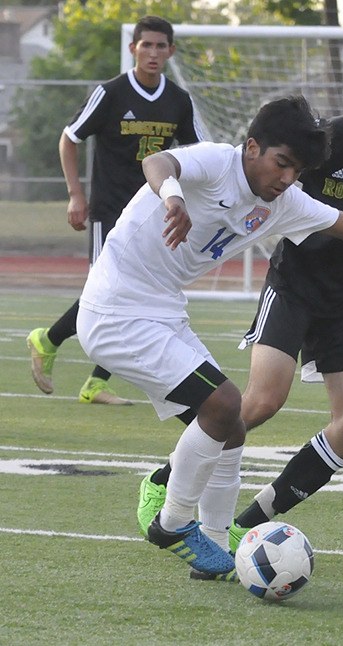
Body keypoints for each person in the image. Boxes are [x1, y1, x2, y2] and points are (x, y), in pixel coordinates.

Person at [77, 94, 343, 577]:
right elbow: (158, 159)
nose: (287, 178)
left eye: (297, 169)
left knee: (231, 423)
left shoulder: (284, 201)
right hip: (115, 308)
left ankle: (212, 542)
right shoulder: (217, 161)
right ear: (252, 148)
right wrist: (172, 197)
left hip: (162, 309)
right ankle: (172, 521)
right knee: (227, 403)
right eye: (281, 163)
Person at [26, 15, 204, 405]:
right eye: (147, 45)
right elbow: (69, 138)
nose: (153, 53)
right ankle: (49, 339)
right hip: (109, 210)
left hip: (150, 215)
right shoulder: (111, 93)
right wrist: (76, 195)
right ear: (133, 49)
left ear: (171, 52)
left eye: (161, 46)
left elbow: (195, 154)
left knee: (133, 295)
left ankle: (95, 382)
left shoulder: (178, 100)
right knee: (106, 291)